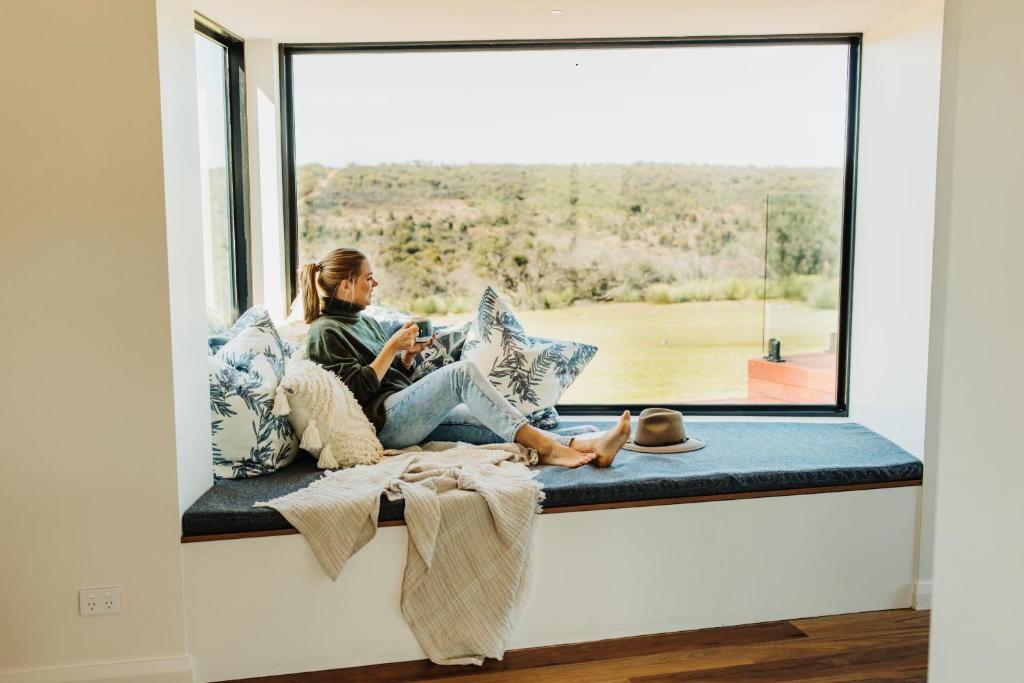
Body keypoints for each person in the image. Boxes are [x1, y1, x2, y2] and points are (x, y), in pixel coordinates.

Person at [301, 247, 631, 468]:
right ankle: (551, 450)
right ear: (346, 286)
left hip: (397, 412)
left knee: (488, 418)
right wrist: (391, 348)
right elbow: (355, 394)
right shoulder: (325, 332)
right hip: (382, 424)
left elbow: (385, 379)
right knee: (462, 374)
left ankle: (587, 446)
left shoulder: (362, 320)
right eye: (368, 277)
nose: (375, 283)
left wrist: (405, 357)